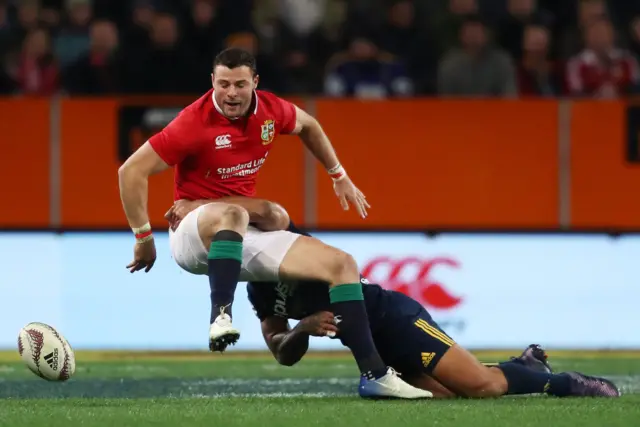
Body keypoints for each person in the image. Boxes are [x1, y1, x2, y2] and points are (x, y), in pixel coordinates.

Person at [118, 47, 429, 399]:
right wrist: (143, 237)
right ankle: (221, 316)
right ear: (212, 82)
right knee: (240, 214)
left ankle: (374, 375)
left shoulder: (270, 110)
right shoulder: (193, 122)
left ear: (255, 82)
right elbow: (130, 171)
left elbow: (309, 125)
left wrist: (337, 174)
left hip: (240, 233)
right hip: (192, 236)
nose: (230, 93)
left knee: (341, 263)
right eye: (222, 84)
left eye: (239, 84)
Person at [248, 276, 621, 399]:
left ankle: (566, 383)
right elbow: (282, 353)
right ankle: (524, 365)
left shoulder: (296, 248)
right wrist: (301, 327)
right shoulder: (257, 289)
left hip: (396, 321)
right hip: (371, 349)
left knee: (479, 387)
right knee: (445, 394)